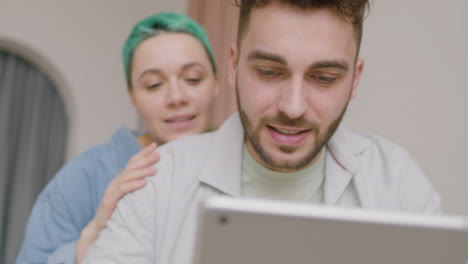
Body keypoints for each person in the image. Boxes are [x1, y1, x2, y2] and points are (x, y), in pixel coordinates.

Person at [83, 0, 442, 263]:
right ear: (235, 64)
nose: (293, 106)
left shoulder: (398, 182)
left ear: (355, 79)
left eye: (324, 78)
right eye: (270, 72)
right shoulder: (158, 179)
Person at [16, 12, 219, 264]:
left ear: (217, 83)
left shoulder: (241, 166)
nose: (176, 97)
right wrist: (93, 233)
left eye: (193, 78)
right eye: (154, 84)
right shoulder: (83, 177)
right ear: (133, 97)